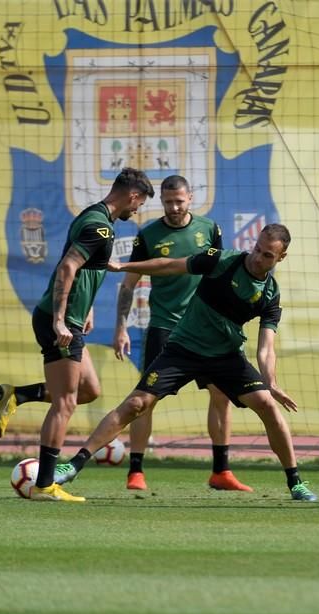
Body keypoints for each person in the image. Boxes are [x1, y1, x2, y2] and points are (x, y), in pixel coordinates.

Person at [57, 223, 317, 502]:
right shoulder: (222, 260)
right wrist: (125, 267)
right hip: (184, 349)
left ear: (281, 258)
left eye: (267, 255)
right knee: (136, 404)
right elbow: (169, 264)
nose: (257, 257)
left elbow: (266, 349)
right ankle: (73, 465)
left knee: (267, 404)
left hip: (226, 356)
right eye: (257, 249)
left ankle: (296, 482)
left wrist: (272, 382)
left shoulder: (269, 295)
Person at [0, 167, 154, 502]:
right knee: (65, 402)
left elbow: (81, 268)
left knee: (89, 390)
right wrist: (61, 321)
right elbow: (67, 268)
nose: (136, 211)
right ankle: (45, 485)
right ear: (132, 195)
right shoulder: (100, 227)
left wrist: (86, 308)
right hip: (61, 322)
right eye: (139, 204)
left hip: (73, 319)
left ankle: (18, 395)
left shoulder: (93, 216)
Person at [97, 174, 250, 492]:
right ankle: (135, 471)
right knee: (145, 401)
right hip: (165, 327)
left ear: (191, 198)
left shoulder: (209, 229)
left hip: (207, 329)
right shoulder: (148, 234)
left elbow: (219, 272)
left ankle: (221, 471)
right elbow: (129, 283)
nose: (174, 207)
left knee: (221, 395)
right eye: (168, 202)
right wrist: (121, 327)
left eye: (179, 201)